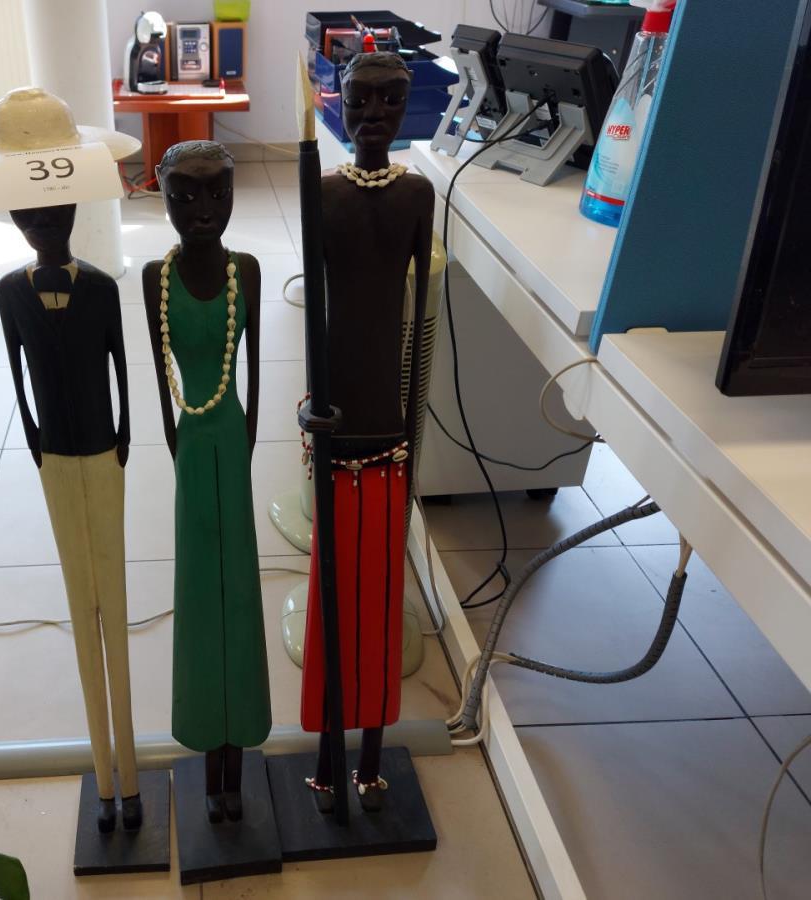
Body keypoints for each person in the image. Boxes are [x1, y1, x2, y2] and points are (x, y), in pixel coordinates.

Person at [0, 88, 144, 833]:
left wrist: (124, 432)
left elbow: (121, 368)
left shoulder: (103, 289)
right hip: (54, 447)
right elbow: (17, 375)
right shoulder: (9, 293)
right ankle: (105, 777)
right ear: (14, 216)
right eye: (30, 214)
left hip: (102, 446)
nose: (46, 222)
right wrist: (30, 436)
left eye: (56, 210)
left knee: (113, 591)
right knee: (80, 598)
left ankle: (130, 778)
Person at [300, 51, 436, 813]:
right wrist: (310, 404)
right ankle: (328, 756)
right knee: (333, 594)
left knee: (381, 594)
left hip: (388, 422)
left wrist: (413, 416)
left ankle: (372, 759)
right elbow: (314, 313)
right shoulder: (321, 193)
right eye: (361, 98)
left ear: (407, 107)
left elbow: (419, 313)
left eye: (390, 99)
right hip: (338, 419)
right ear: (338, 103)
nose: (375, 113)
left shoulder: (417, 194)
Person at [142, 141, 271, 824]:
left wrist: (246, 438)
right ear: (160, 197)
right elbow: (160, 379)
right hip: (193, 442)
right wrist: (174, 439)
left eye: (218, 194)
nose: (202, 210)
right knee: (198, 588)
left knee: (239, 588)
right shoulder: (154, 279)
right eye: (184, 197)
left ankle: (238, 760)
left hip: (229, 436)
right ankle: (205, 747)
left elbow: (254, 370)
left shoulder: (246, 270)